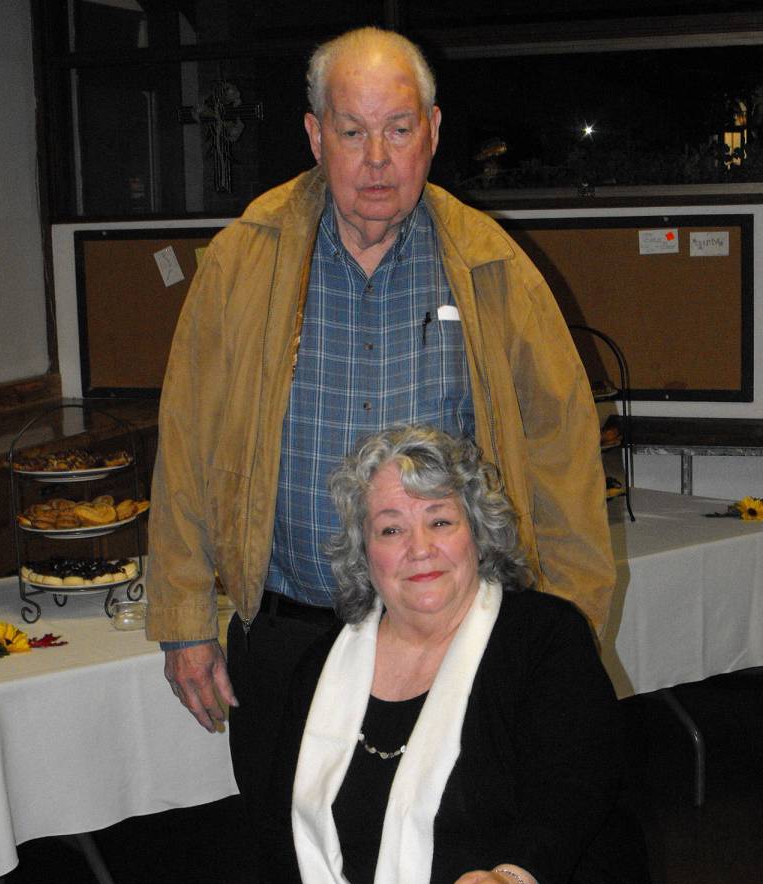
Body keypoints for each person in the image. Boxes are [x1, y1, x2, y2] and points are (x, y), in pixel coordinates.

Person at [145, 27, 615, 751]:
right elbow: (186, 442)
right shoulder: (244, 260)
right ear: (315, 136)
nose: (376, 158)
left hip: (453, 645)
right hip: (288, 636)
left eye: (398, 129)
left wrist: (565, 633)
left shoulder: (492, 266)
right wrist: (183, 621)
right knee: (286, 825)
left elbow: (562, 457)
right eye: (352, 131)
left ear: (432, 132)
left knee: (453, 826)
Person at [246, 425, 647, 884]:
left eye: (440, 521)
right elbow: (280, 835)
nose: (420, 549)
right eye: (391, 529)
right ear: (364, 552)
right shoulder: (319, 668)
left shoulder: (543, 637)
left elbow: (575, 792)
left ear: (477, 533)